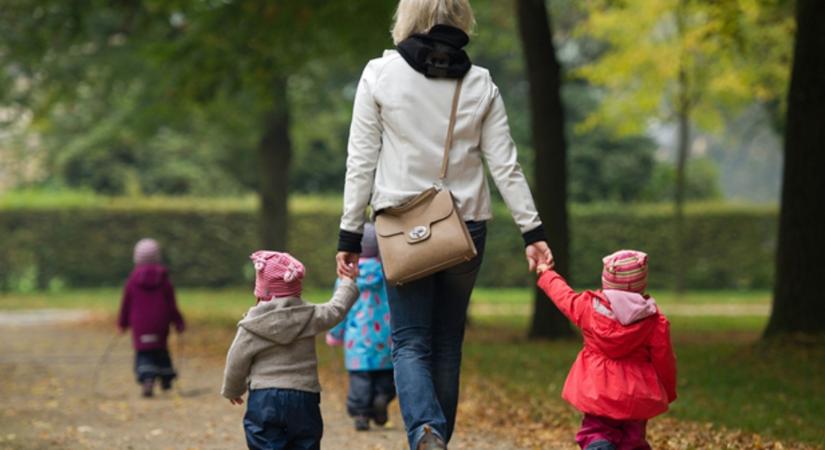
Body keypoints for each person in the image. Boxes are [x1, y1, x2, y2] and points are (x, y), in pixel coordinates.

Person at [335, 1, 553, 448]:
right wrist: (533, 232)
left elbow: (361, 162)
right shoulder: (480, 82)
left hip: (401, 229)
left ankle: (425, 432)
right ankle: (437, 438)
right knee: (448, 344)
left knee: (410, 341)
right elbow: (505, 165)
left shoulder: (379, 74)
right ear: (461, 17)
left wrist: (350, 233)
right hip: (465, 227)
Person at [536, 250, 677, 450]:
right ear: (642, 284)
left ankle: (598, 446)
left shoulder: (588, 308)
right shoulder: (655, 322)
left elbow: (564, 297)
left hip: (598, 389)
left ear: (606, 281)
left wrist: (547, 274)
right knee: (633, 437)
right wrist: (667, 390)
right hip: (636, 394)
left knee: (596, 430)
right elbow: (664, 360)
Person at [222, 251, 359, 450]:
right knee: (305, 442)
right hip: (304, 396)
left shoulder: (252, 325)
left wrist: (233, 389)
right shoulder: (311, 315)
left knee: (264, 441)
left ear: (260, 290)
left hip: (264, 398)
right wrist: (347, 281)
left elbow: (236, 359)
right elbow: (337, 308)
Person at [326, 223, 395, 432]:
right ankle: (382, 397)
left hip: (357, 341)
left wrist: (334, 334)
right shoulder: (389, 274)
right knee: (386, 374)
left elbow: (339, 310)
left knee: (360, 379)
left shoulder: (347, 277)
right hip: (385, 338)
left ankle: (361, 414)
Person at [117, 238, 185, 398]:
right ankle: (166, 378)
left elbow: (126, 304)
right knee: (160, 349)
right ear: (157, 257)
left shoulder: (132, 281)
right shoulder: (164, 280)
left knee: (144, 352)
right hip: (160, 323)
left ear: (136, 258)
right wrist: (178, 322)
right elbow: (171, 304)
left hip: (140, 324)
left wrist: (122, 323)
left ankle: (147, 379)